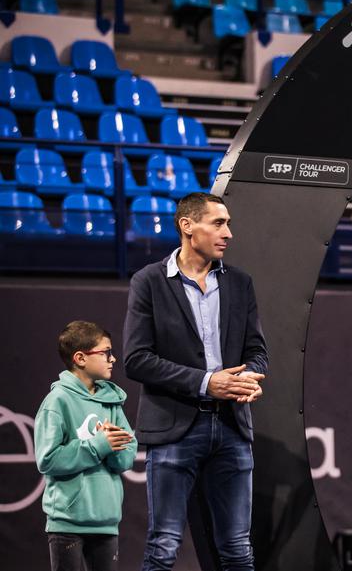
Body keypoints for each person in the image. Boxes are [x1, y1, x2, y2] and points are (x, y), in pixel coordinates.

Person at [124, 192, 269, 571]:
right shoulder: (149, 281)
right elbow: (137, 359)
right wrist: (206, 382)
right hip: (174, 428)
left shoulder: (240, 283)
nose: (228, 233)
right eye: (218, 223)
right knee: (163, 546)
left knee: (238, 549)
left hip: (233, 427)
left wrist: (248, 378)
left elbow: (257, 350)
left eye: (228, 224)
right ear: (187, 226)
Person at [35, 320, 137, 571]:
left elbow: (126, 458)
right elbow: (47, 459)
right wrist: (98, 445)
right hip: (67, 523)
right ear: (80, 358)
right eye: (106, 352)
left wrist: (112, 448)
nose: (113, 359)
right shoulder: (57, 401)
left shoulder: (112, 401)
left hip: (107, 521)